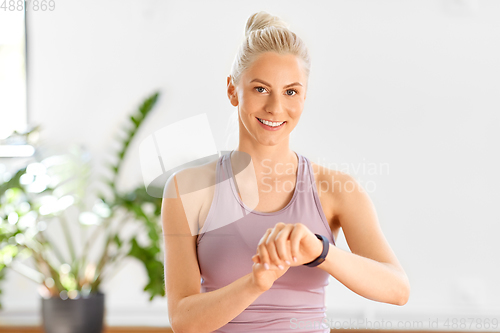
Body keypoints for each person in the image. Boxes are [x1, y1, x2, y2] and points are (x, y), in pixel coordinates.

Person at [161, 11, 410, 333]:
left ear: (304, 96)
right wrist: (256, 282)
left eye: (291, 91)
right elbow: (183, 320)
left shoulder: (335, 188)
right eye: (261, 89)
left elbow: (397, 289)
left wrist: (320, 250)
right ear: (233, 90)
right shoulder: (187, 189)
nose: (276, 108)